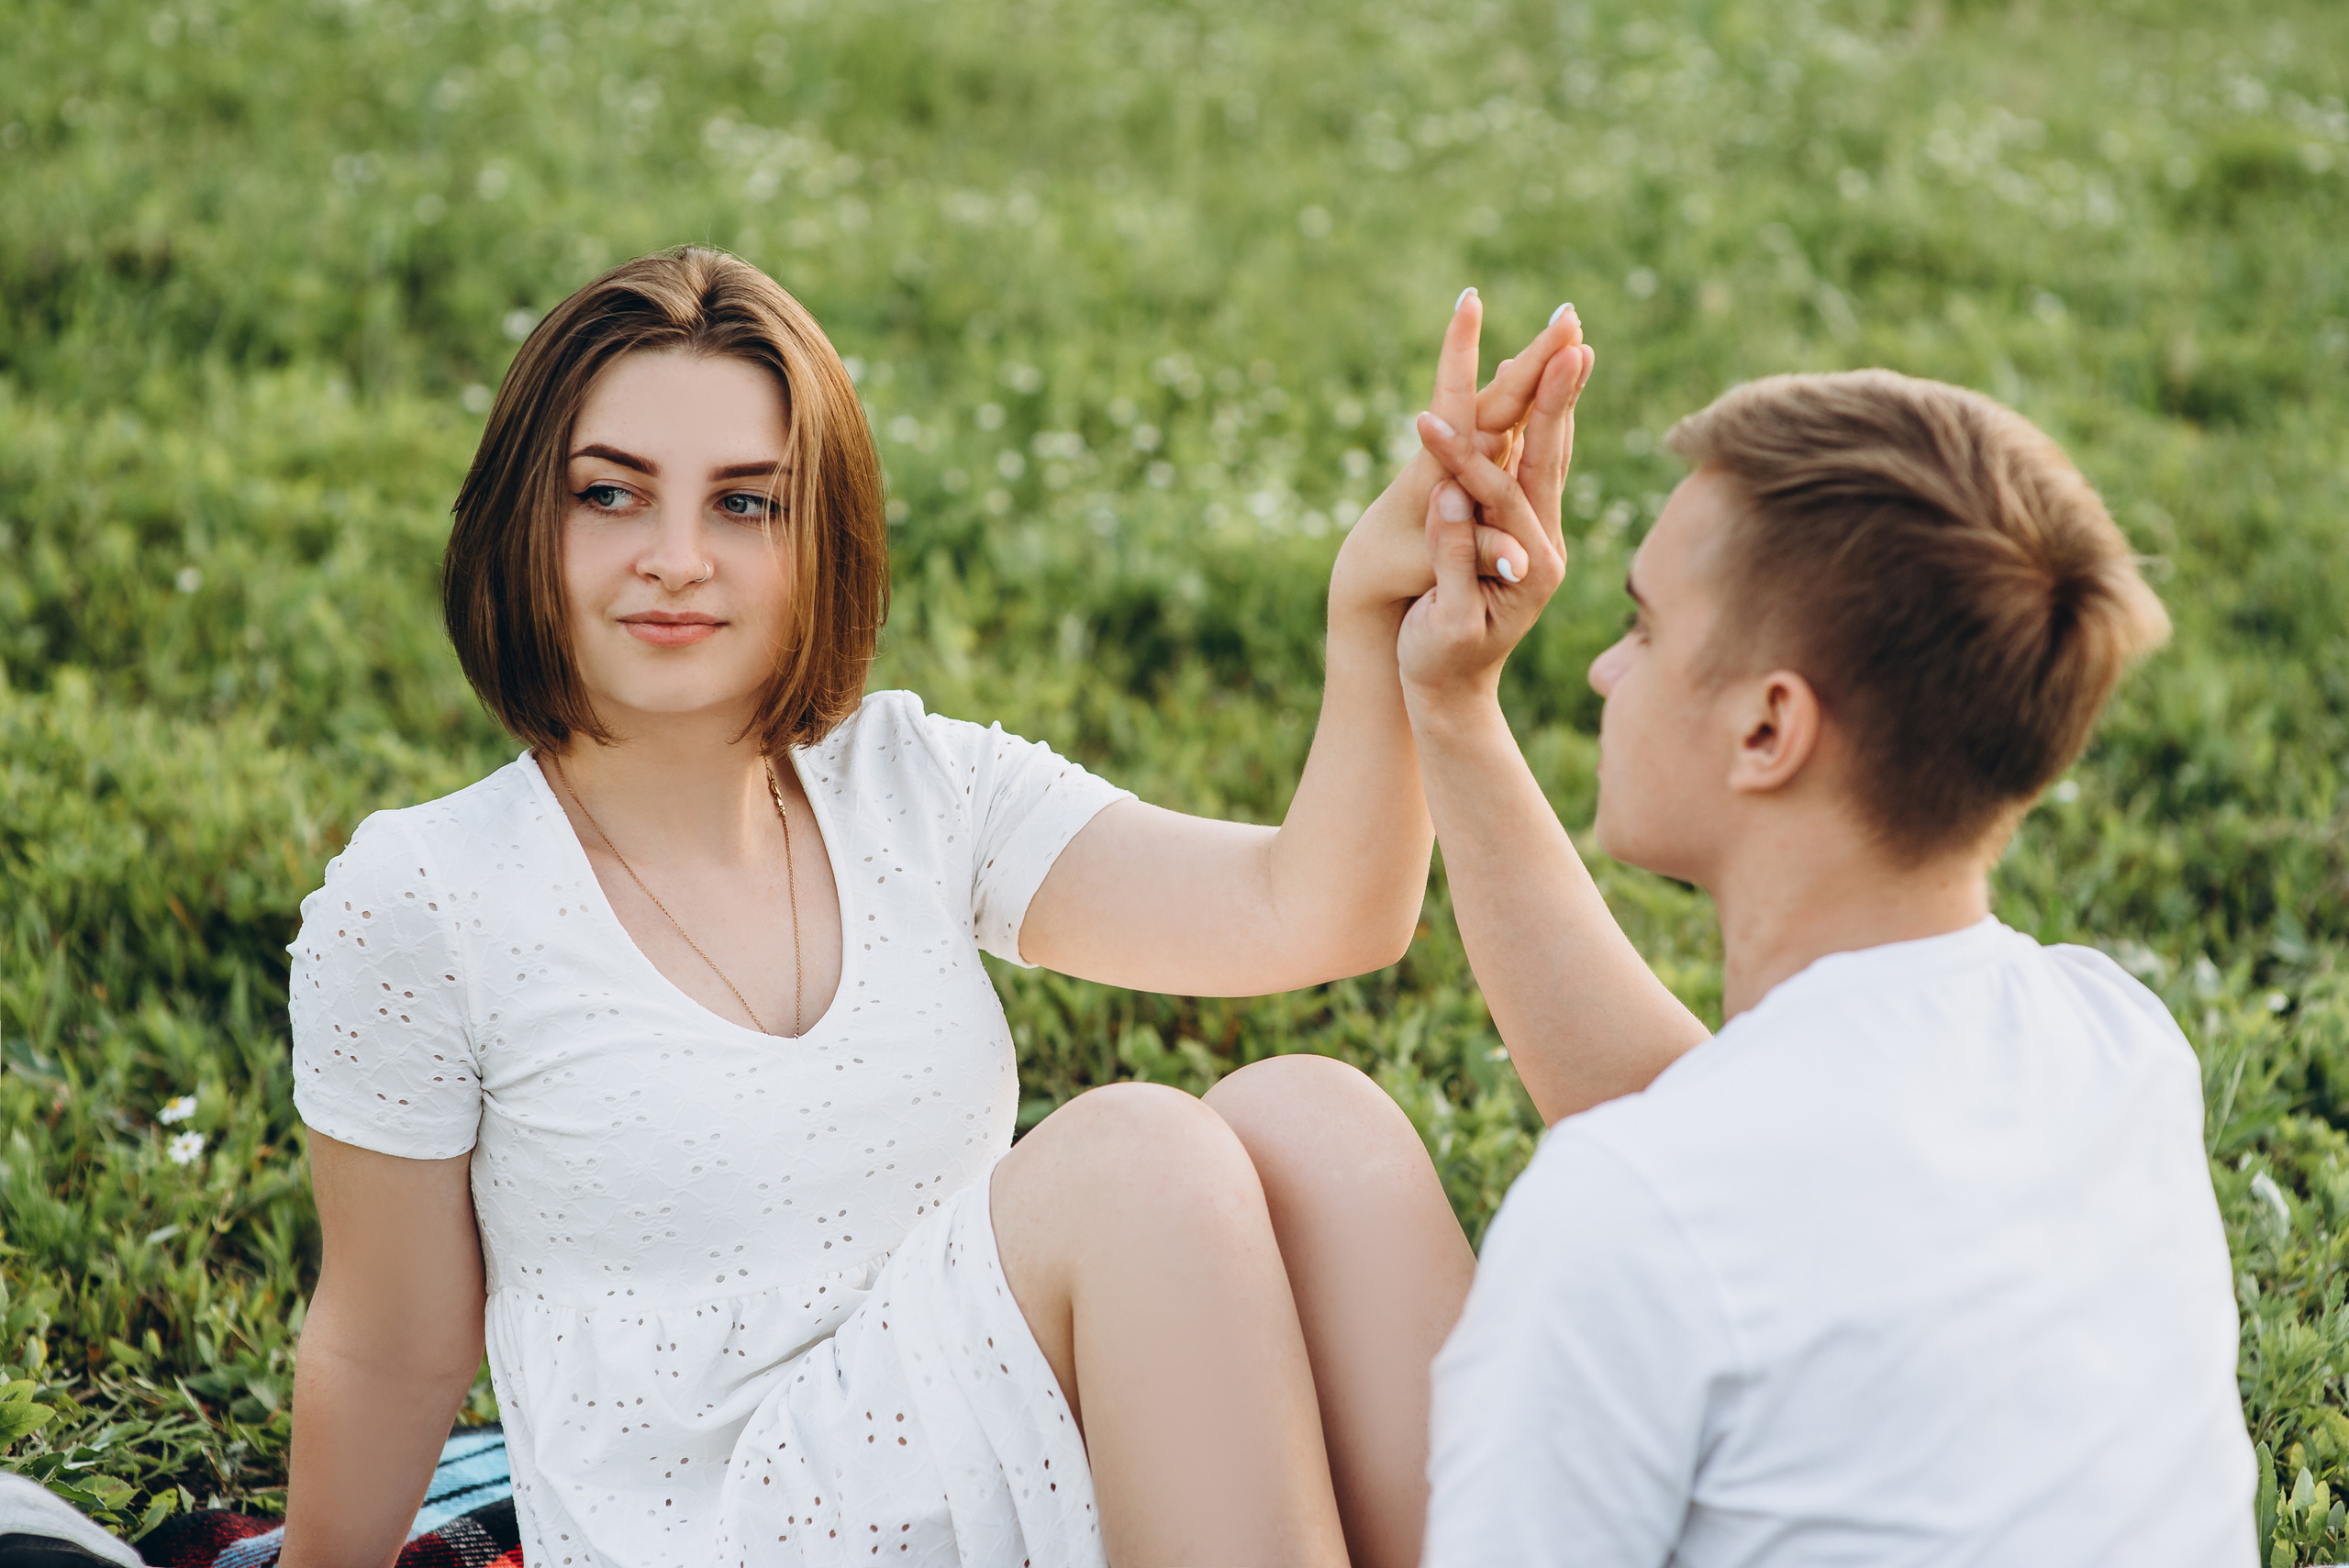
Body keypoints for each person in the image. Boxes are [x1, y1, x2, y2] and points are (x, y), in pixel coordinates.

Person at [278, 245, 1592, 1568]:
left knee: (1316, 1122)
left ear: (823, 538)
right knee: (1138, 1160)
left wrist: (1386, 617)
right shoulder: (425, 895)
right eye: (610, 494)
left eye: (746, 504)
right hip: (710, 1532)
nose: (676, 559)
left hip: (978, 1468)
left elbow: (1315, 912)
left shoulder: (911, 784)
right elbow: (392, 1342)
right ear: (525, 518)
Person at [1398, 367, 2254, 1564]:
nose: (1604, 668)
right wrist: (1452, 706)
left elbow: (1678, 1200)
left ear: (1769, 729)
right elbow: (1735, 1163)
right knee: (1320, 1129)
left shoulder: (1619, 1219)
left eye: (1644, 628)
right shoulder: (2116, 1039)